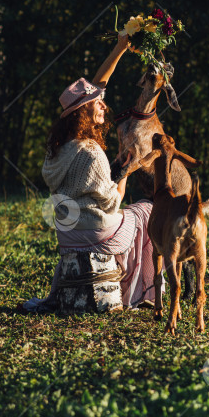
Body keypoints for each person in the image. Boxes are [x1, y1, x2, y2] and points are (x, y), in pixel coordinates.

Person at [19, 31, 163, 314]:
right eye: (98, 103)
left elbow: (98, 85)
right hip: (94, 234)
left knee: (131, 213)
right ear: (84, 110)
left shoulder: (57, 149)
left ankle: (126, 285)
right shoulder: (91, 151)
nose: (105, 105)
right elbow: (112, 203)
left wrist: (120, 47)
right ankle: (143, 292)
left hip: (67, 234)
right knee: (145, 210)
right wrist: (125, 172)